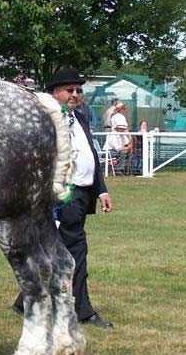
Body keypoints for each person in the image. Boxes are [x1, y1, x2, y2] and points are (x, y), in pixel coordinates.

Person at [12, 67, 114, 328]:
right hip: (60, 196)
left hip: (80, 195)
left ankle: (24, 300)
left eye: (79, 90)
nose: (75, 94)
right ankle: (82, 311)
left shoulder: (81, 118)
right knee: (74, 253)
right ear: (54, 93)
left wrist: (100, 190)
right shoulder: (46, 121)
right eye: (70, 90)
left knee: (52, 251)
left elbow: (90, 155)